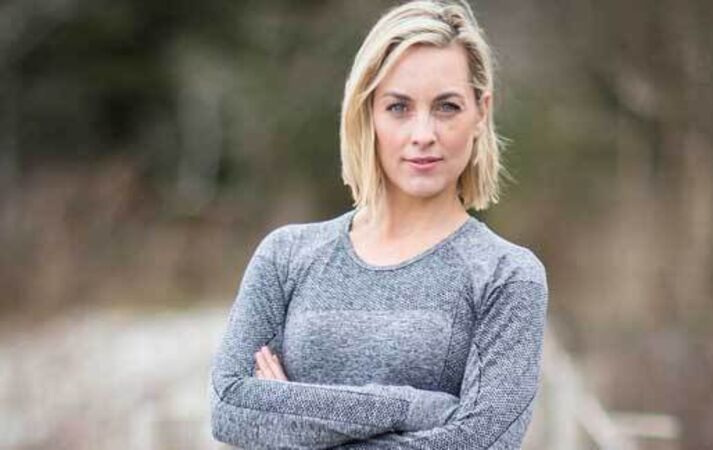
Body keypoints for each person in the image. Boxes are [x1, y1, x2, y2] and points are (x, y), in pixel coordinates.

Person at [209, 1, 549, 448]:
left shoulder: (507, 276)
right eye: (399, 107)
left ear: (481, 112)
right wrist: (414, 408)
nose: (423, 134)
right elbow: (231, 407)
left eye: (447, 107)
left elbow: (479, 442)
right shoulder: (286, 256)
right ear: (368, 111)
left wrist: (291, 419)